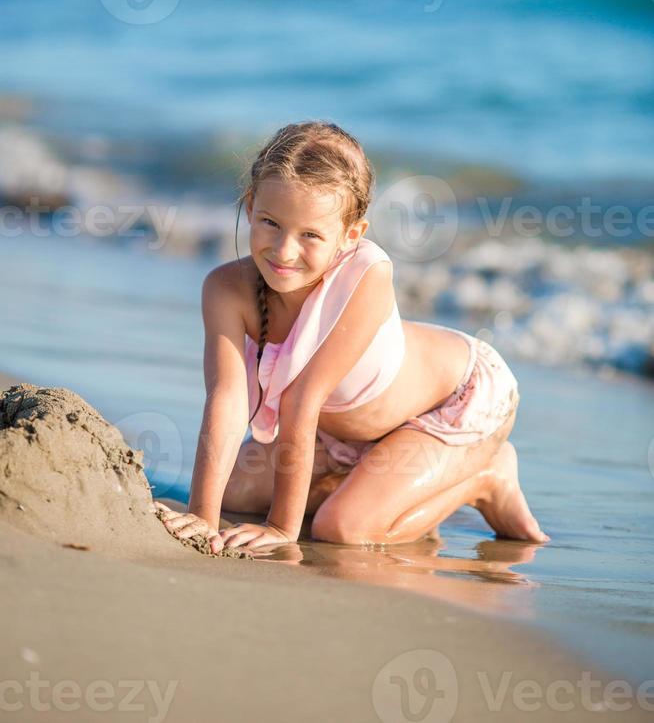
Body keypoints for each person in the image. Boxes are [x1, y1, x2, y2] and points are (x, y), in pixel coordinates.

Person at [156, 120, 549, 554]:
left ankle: (485, 477)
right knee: (232, 493)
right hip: (339, 434)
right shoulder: (225, 289)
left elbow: (301, 401)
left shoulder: (368, 276)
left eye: (310, 235)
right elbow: (227, 399)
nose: (284, 250)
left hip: (455, 401)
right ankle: (372, 477)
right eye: (271, 223)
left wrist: (281, 528)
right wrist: (203, 516)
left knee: (341, 528)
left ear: (350, 235)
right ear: (250, 207)